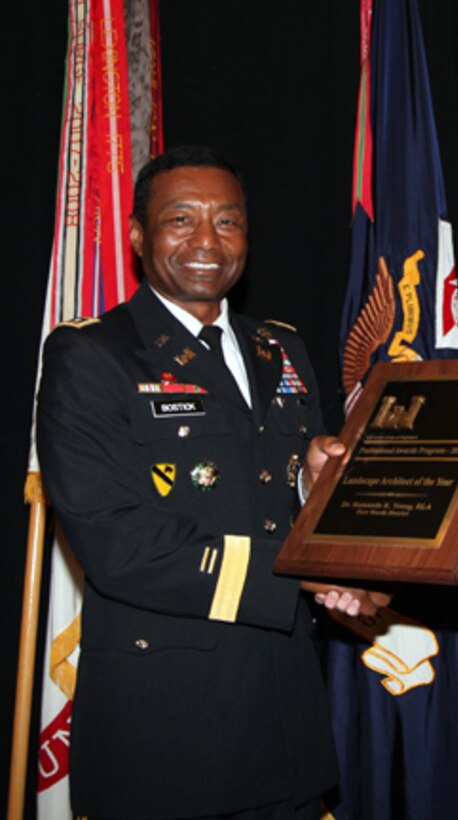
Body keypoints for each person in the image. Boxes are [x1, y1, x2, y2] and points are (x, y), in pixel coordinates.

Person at [36, 145, 388, 819]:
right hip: (166, 737)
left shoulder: (281, 349)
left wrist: (319, 498)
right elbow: (119, 545)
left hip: (284, 724)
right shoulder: (91, 355)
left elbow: (286, 501)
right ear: (139, 237)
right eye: (181, 220)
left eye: (227, 221)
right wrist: (299, 573)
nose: (207, 240)